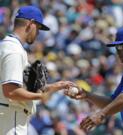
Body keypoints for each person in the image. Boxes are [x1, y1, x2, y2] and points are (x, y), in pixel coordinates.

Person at [0, 6, 75, 135]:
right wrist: (41, 96)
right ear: (30, 24)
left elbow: (23, 87)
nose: (39, 33)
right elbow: (11, 91)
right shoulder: (14, 51)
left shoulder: (7, 46)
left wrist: (53, 87)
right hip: (11, 118)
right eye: (39, 28)